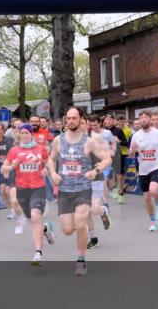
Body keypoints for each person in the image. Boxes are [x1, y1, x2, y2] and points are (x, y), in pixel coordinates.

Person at [46, 106, 112, 276]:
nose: (71, 121)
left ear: (81, 119)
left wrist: (95, 171)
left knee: (80, 224)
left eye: (75, 118)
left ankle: (81, 260)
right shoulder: (58, 140)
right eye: (68, 118)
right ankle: (50, 228)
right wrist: (53, 173)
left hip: (83, 190)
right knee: (68, 230)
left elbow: (107, 158)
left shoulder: (89, 142)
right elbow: (50, 159)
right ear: (65, 120)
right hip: (64, 192)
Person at [2, 124, 55, 266]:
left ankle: (38, 253)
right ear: (18, 134)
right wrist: (11, 166)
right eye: (22, 133)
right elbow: (3, 169)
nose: (24, 135)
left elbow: (49, 160)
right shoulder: (14, 151)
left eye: (26, 133)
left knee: (35, 216)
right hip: (22, 189)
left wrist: (47, 170)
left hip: (38, 188)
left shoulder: (40, 149)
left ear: (31, 134)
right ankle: (45, 228)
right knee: (32, 218)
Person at [130, 111, 158, 232]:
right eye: (141, 117)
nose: (143, 119)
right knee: (147, 198)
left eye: (145, 117)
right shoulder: (136, 135)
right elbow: (131, 154)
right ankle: (153, 220)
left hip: (157, 166)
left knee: (154, 190)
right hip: (143, 169)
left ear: (150, 120)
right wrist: (133, 150)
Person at [85, 114, 115, 249]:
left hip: (95, 177)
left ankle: (102, 210)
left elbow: (108, 156)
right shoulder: (71, 139)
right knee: (85, 211)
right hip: (80, 180)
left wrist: (102, 163)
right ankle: (93, 238)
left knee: (94, 209)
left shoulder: (97, 138)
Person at [0, 122, 22, 230]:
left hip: (11, 168)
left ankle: (17, 207)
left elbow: (13, 154)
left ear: (2, 131)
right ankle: (11, 209)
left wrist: (8, 167)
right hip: (0, 168)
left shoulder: (8, 141)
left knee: (8, 191)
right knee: (2, 191)